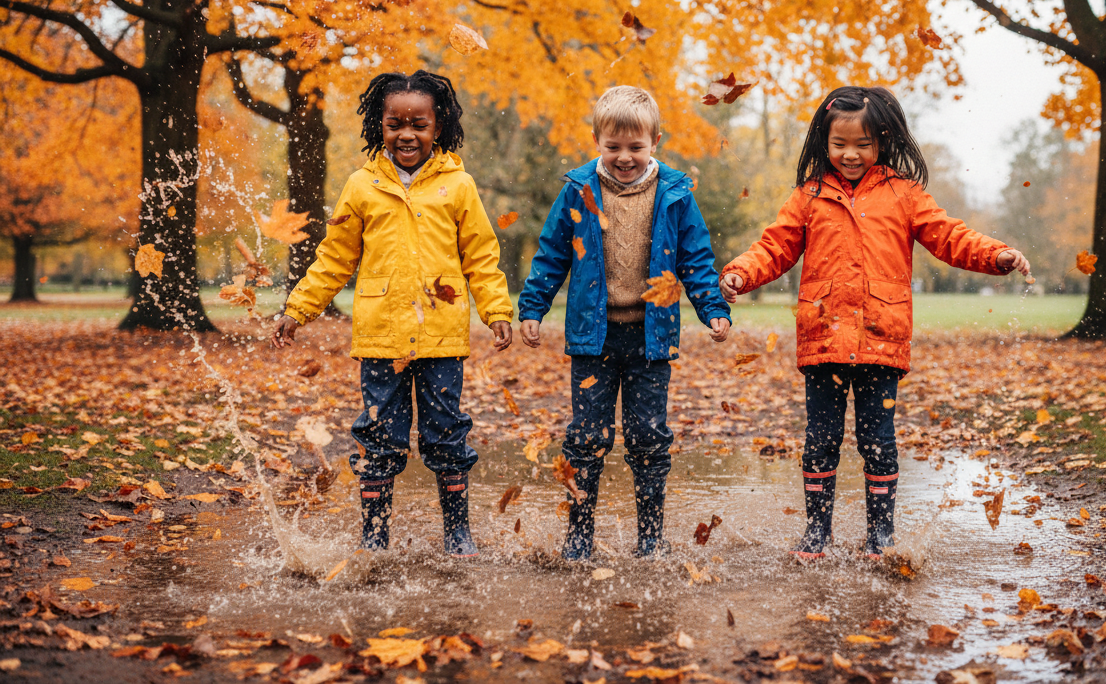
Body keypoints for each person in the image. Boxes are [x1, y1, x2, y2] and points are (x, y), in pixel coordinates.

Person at [719, 85, 1030, 560]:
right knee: (820, 440)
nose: (850, 154)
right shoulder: (809, 197)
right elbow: (775, 247)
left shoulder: (904, 195)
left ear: (882, 141)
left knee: (877, 441)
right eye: (840, 144)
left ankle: (880, 535)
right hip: (822, 339)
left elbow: (948, 235)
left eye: (862, 144)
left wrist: (997, 255)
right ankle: (816, 534)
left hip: (881, 341)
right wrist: (741, 273)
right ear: (824, 141)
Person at [271, 70, 513, 557]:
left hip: (441, 339)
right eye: (395, 123)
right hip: (381, 338)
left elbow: (481, 257)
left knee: (446, 434)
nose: (407, 134)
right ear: (377, 126)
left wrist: (496, 311)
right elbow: (335, 258)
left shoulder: (458, 185)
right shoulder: (361, 186)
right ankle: (374, 535)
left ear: (437, 126)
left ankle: (458, 533)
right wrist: (298, 308)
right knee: (380, 436)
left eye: (418, 124)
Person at [518, 85, 731, 560]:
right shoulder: (579, 191)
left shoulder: (674, 195)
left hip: (650, 339)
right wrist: (533, 308)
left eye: (635, 147)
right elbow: (552, 255)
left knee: (649, 438)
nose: (624, 158)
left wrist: (713, 308)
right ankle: (579, 537)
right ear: (597, 141)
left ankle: (650, 537)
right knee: (586, 439)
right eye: (613, 147)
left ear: (655, 141)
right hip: (594, 338)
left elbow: (695, 260)